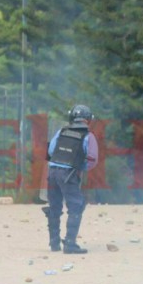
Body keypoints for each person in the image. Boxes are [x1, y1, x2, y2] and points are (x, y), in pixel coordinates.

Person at [45, 104, 98, 254]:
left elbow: (50, 151)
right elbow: (93, 160)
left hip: (52, 172)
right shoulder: (88, 136)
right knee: (76, 206)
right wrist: (80, 168)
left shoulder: (61, 131)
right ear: (88, 120)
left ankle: (54, 243)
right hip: (68, 174)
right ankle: (70, 244)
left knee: (54, 207)